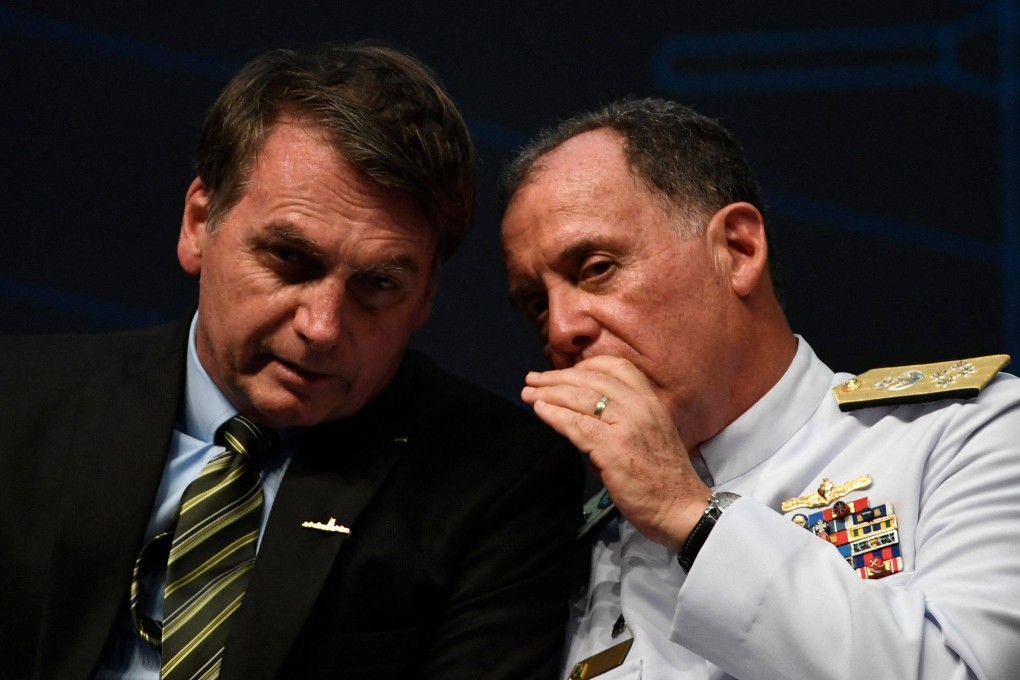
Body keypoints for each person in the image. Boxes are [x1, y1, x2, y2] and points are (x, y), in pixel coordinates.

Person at [0, 43, 580, 680]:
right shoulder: (20, 404)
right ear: (199, 223)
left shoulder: (495, 483)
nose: (323, 328)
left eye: (378, 285)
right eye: (290, 260)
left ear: (426, 300)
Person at [498, 97, 1020, 679]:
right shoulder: (571, 546)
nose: (563, 327)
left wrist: (689, 513)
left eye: (596, 268)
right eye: (535, 303)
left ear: (737, 250)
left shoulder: (968, 435)